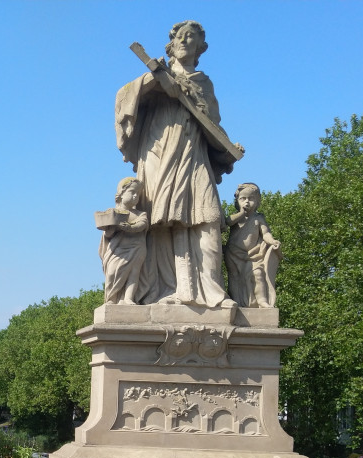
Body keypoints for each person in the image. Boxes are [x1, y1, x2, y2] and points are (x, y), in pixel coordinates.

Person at [115, 20, 241, 307]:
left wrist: (228, 147)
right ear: (171, 46)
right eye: (180, 38)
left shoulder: (203, 83)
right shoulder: (154, 76)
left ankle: (211, 293)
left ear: (201, 48)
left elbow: (213, 125)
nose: (185, 41)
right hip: (159, 151)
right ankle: (164, 291)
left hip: (194, 155)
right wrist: (153, 82)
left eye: (191, 38)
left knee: (207, 218)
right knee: (159, 217)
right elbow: (124, 99)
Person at [223, 183, 282, 307]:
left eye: (251, 199)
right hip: (233, 254)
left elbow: (265, 233)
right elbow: (227, 222)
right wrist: (241, 213)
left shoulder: (258, 218)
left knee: (258, 274)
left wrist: (272, 241)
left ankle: (262, 301)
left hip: (254, 254)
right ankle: (237, 301)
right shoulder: (236, 218)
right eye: (243, 199)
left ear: (257, 201)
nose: (247, 202)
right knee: (234, 278)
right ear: (237, 201)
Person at [98, 177, 149, 304]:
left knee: (134, 274)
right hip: (118, 250)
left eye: (138, 194)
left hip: (136, 248)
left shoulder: (140, 214)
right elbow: (108, 234)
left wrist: (130, 227)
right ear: (121, 194)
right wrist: (110, 228)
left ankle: (128, 298)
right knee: (112, 273)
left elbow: (142, 225)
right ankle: (111, 299)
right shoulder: (114, 213)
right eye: (132, 192)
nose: (135, 196)